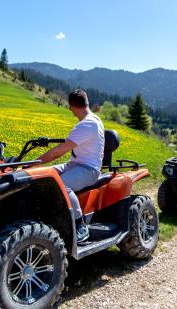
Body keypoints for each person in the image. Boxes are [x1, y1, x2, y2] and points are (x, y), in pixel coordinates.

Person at [36, 89, 104, 242]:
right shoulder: (94, 119)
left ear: (72, 107)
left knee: (61, 185)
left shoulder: (86, 124)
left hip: (89, 170)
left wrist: (32, 163)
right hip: (76, 164)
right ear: (86, 102)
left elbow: (56, 153)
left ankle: (80, 225)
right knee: (46, 173)